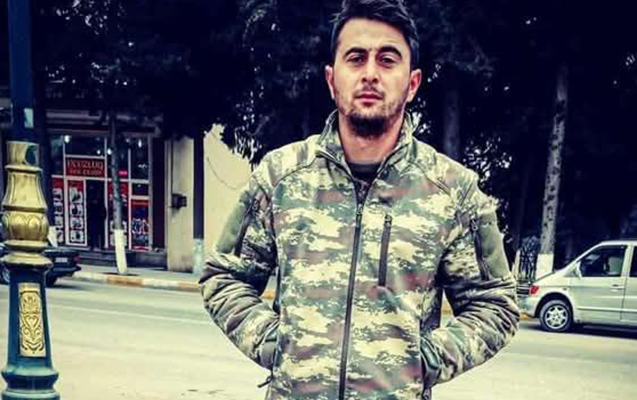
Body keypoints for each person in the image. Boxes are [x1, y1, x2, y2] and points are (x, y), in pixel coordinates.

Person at [200, 1, 519, 399]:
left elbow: (495, 305)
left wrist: (423, 362)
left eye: (387, 59)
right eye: (356, 58)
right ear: (332, 80)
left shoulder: (453, 193)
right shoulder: (281, 177)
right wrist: (277, 346)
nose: (370, 73)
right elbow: (224, 277)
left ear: (412, 83)